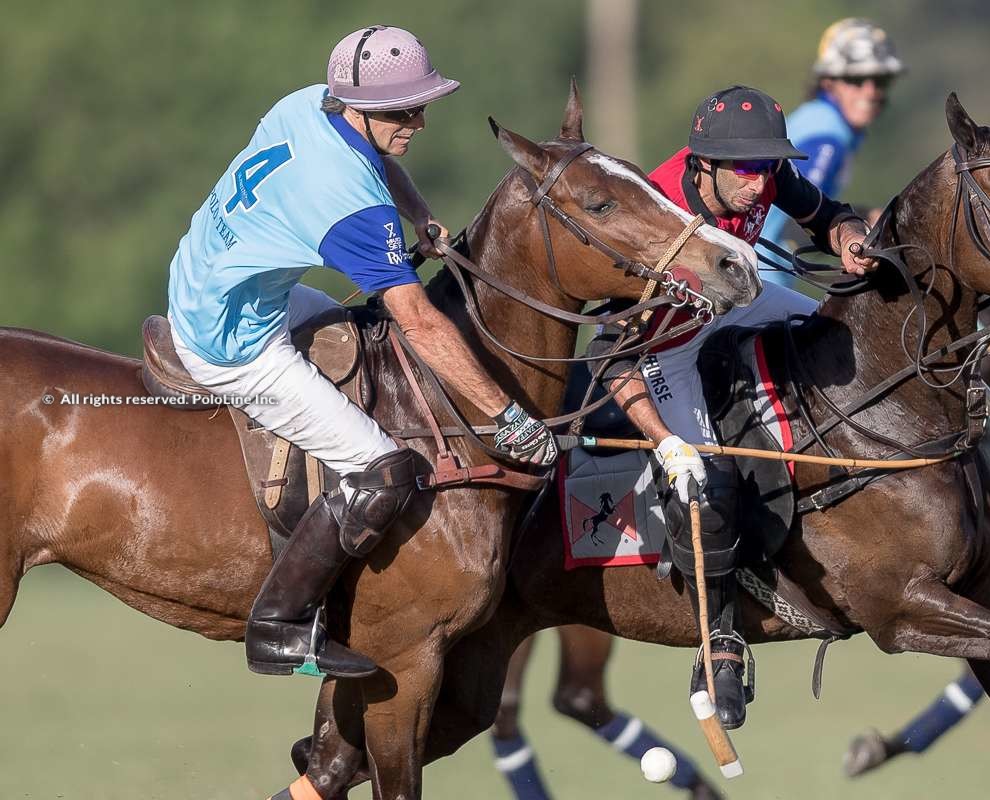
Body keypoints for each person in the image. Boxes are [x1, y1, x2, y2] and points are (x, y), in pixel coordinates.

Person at [166, 25, 557, 680]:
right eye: (405, 110)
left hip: (212, 277)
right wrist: (508, 419)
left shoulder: (313, 102)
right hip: (230, 338)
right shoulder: (348, 205)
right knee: (382, 467)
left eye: (421, 104)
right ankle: (280, 625)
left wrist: (418, 213)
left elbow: (378, 165)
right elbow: (426, 327)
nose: (420, 121)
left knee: (367, 342)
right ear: (365, 107)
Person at [586, 85, 875, 729]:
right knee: (701, 488)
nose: (758, 183)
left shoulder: (764, 175)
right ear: (703, 165)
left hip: (738, 301)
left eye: (767, 166)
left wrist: (848, 235)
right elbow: (611, 354)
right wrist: (664, 441)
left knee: (838, 338)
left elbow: (823, 210)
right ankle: (719, 646)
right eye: (745, 169)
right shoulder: (655, 215)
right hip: (665, 348)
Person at [758, 18, 905, 285]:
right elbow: (799, 223)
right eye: (855, 79)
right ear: (828, 82)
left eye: (880, 79)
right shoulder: (828, 137)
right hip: (761, 277)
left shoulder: (818, 120)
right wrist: (867, 221)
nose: (870, 91)